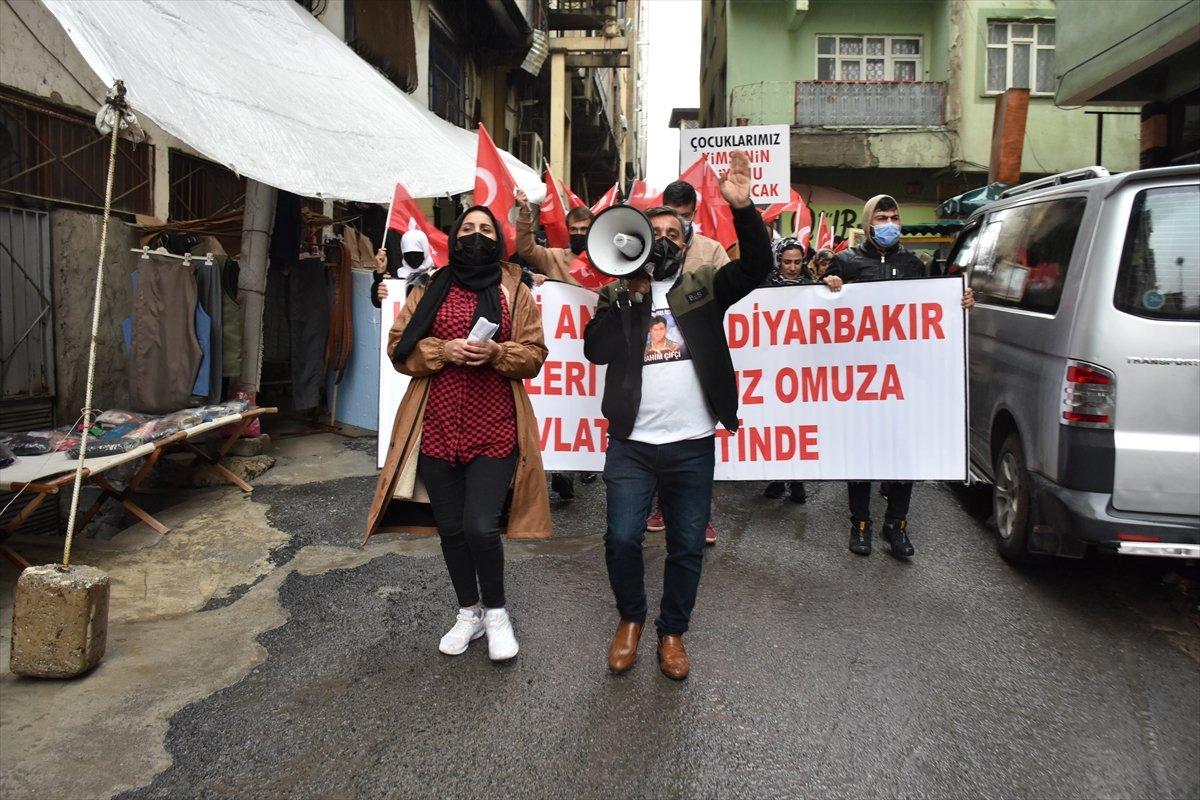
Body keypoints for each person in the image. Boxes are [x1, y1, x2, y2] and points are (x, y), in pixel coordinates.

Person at [584, 150, 771, 680]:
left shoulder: (702, 287)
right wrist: (628, 298)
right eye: (655, 229)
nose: (664, 237)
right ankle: (630, 620)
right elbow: (595, 351)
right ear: (637, 237)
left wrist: (744, 210)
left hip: (691, 443)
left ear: (687, 244)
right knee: (622, 537)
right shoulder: (618, 293)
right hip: (632, 444)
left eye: (674, 231)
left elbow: (757, 268)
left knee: (687, 544)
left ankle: (672, 632)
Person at [363, 205, 551, 662]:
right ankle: (469, 612)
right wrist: (442, 349)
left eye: (486, 229)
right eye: (468, 228)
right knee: (450, 529)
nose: (476, 235)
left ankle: (498, 614)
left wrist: (495, 353)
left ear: (498, 239)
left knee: (479, 526)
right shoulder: (428, 286)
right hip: (437, 427)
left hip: (496, 426)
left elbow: (534, 354)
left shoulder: (514, 288)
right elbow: (398, 348)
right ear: (453, 235)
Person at [826, 194, 975, 560]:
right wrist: (827, 288)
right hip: (860, 378)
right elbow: (825, 316)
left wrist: (958, 303)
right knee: (860, 452)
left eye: (894, 216)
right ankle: (859, 523)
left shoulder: (913, 263)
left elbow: (929, 310)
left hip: (903, 378)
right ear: (867, 223)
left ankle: (897, 524)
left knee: (902, 453)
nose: (889, 223)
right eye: (881, 217)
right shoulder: (846, 262)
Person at [642, 181, 734, 542]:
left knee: (693, 446)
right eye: (663, 221)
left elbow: (734, 285)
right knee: (658, 440)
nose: (667, 235)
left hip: (700, 350)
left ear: (693, 215)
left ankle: (700, 514)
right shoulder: (641, 253)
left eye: (679, 220)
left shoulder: (710, 251)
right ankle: (662, 506)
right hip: (655, 357)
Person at [761, 238, 843, 503]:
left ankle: (797, 480)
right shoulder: (763, 288)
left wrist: (833, 286)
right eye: (787, 262)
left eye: (797, 262)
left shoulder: (814, 288)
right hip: (774, 366)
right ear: (778, 261)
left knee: (799, 425)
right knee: (777, 424)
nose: (793, 267)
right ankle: (777, 477)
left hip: (803, 367)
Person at [515, 188, 591, 287]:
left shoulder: (602, 261)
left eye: (583, 229)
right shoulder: (554, 257)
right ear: (568, 230)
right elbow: (527, 249)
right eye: (573, 229)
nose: (578, 233)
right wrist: (525, 211)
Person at [372, 228, 434, 307]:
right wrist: (380, 273)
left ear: (425, 249)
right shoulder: (395, 277)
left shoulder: (436, 276)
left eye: (417, 253)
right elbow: (378, 302)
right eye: (408, 253)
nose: (413, 257)